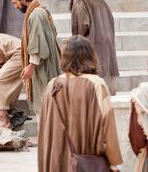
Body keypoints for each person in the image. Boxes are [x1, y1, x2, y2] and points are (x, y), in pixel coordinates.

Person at [38, 35, 123, 172]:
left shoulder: (52, 85)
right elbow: (107, 126)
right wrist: (114, 161)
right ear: (90, 56)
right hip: (87, 164)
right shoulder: (96, 84)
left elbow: (44, 132)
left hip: (56, 163)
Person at [65, 0, 119, 95]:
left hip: (91, 47)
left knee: (94, 92)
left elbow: (81, 26)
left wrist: (76, 47)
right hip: (107, 45)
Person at [9, 0, 62, 115]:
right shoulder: (41, 11)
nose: (15, 7)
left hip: (42, 66)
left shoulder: (35, 15)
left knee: (44, 103)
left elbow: (36, 42)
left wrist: (31, 66)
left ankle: (47, 134)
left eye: (15, 3)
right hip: (46, 63)